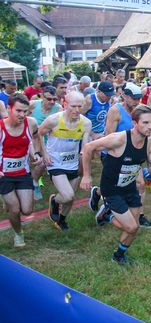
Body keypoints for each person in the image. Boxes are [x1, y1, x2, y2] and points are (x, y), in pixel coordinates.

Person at [80, 104, 151, 264]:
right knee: (131, 227)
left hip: (130, 187)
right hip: (111, 189)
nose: (150, 126)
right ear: (134, 123)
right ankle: (108, 214)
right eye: (145, 123)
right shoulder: (119, 139)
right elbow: (89, 147)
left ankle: (118, 256)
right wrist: (86, 176)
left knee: (134, 226)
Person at [88, 82, 151, 228]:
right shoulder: (116, 110)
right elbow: (109, 135)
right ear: (124, 95)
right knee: (116, 186)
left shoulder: (139, 111)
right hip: (115, 154)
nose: (137, 101)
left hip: (133, 154)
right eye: (134, 98)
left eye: (139, 98)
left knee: (140, 184)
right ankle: (101, 198)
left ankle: (139, 217)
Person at [39, 92, 92, 231]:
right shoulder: (54, 120)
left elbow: (85, 147)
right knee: (68, 195)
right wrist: (44, 153)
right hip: (55, 162)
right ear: (65, 104)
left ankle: (61, 220)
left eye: (79, 106)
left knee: (70, 199)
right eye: (73, 106)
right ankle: (54, 201)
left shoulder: (86, 123)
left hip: (72, 163)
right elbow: (39, 133)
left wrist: (85, 168)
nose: (76, 110)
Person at [0, 93, 43, 247]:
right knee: (15, 208)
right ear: (9, 108)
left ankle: (10, 201)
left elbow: (35, 138)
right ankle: (18, 234)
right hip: (4, 175)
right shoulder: (1, 127)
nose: (22, 115)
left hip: (23, 172)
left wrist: (36, 154)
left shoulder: (30, 123)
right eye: (18, 111)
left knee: (27, 210)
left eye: (25, 111)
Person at [29, 86, 63, 200]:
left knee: (45, 163)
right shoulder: (33, 105)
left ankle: (35, 183)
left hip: (49, 141)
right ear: (42, 96)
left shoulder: (58, 108)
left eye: (54, 99)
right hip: (33, 139)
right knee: (38, 163)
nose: (52, 102)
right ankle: (32, 183)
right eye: (49, 99)